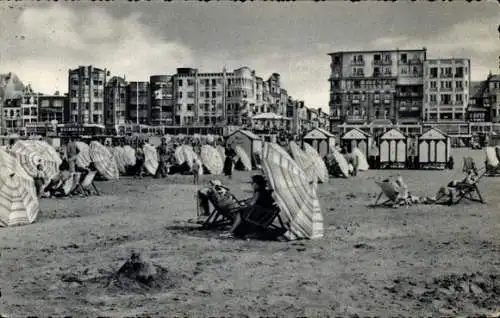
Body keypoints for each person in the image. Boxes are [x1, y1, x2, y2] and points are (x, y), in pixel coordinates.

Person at [223, 174, 275, 239]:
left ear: (256, 184)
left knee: (239, 213)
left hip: (260, 214)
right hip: (265, 213)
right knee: (241, 211)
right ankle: (233, 231)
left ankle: (230, 232)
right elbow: (255, 200)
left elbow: (252, 203)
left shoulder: (258, 191)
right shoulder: (264, 191)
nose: (251, 184)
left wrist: (243, 205)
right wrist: (247, 201)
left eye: (252, 183)